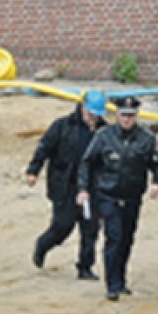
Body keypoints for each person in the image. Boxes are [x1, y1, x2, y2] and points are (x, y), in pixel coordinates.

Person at [76, 96, 158, 301]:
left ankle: (121, 279)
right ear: (116, 115)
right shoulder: (103, 137)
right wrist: (83, 189)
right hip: (108, 195)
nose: (126, 119)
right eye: (123, 115)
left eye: (130, 116)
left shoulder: (146, 139)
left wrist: (157, 183)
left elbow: (157, 164)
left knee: (126, 239)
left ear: (136, 116)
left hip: (132, 197)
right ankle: (112, 284)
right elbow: (87, 163)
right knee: (114, 237)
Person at [25, 90, 108, 280]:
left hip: (91, 187)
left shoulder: (105, 132)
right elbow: (44, 148)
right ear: (82, 107)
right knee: (63, 226)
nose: (93, 117)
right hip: (65, 185)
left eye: (97, 114)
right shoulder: (62, 127)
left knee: (91, 228)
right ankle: (44, 245)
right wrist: (33, 170)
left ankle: (85, 267)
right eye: (90, 113)